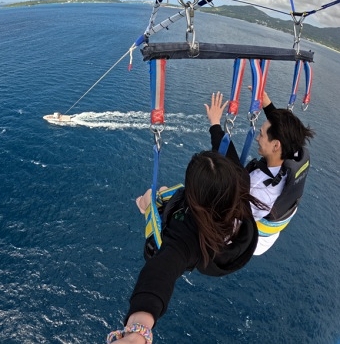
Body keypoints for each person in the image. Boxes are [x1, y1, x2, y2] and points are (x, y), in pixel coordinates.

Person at [107, 151, 265, 344]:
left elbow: (160, 273)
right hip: (226, 249)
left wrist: (137, 332)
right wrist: (217, 131)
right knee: (161, 193)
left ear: (194, 195)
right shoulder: (240, 198)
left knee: (148, 197)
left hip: (199, 247)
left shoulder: (185, 238)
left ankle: (144, 203)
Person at [205, 90, 315, 255]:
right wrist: (267, 104)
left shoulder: (258, 190)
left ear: (276, 145)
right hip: (269, 221)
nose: (257, 138)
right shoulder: (294, 152)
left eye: (261, 134)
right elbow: (286, 130)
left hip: (253, 238)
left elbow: (232, 171)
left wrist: (215, 124)